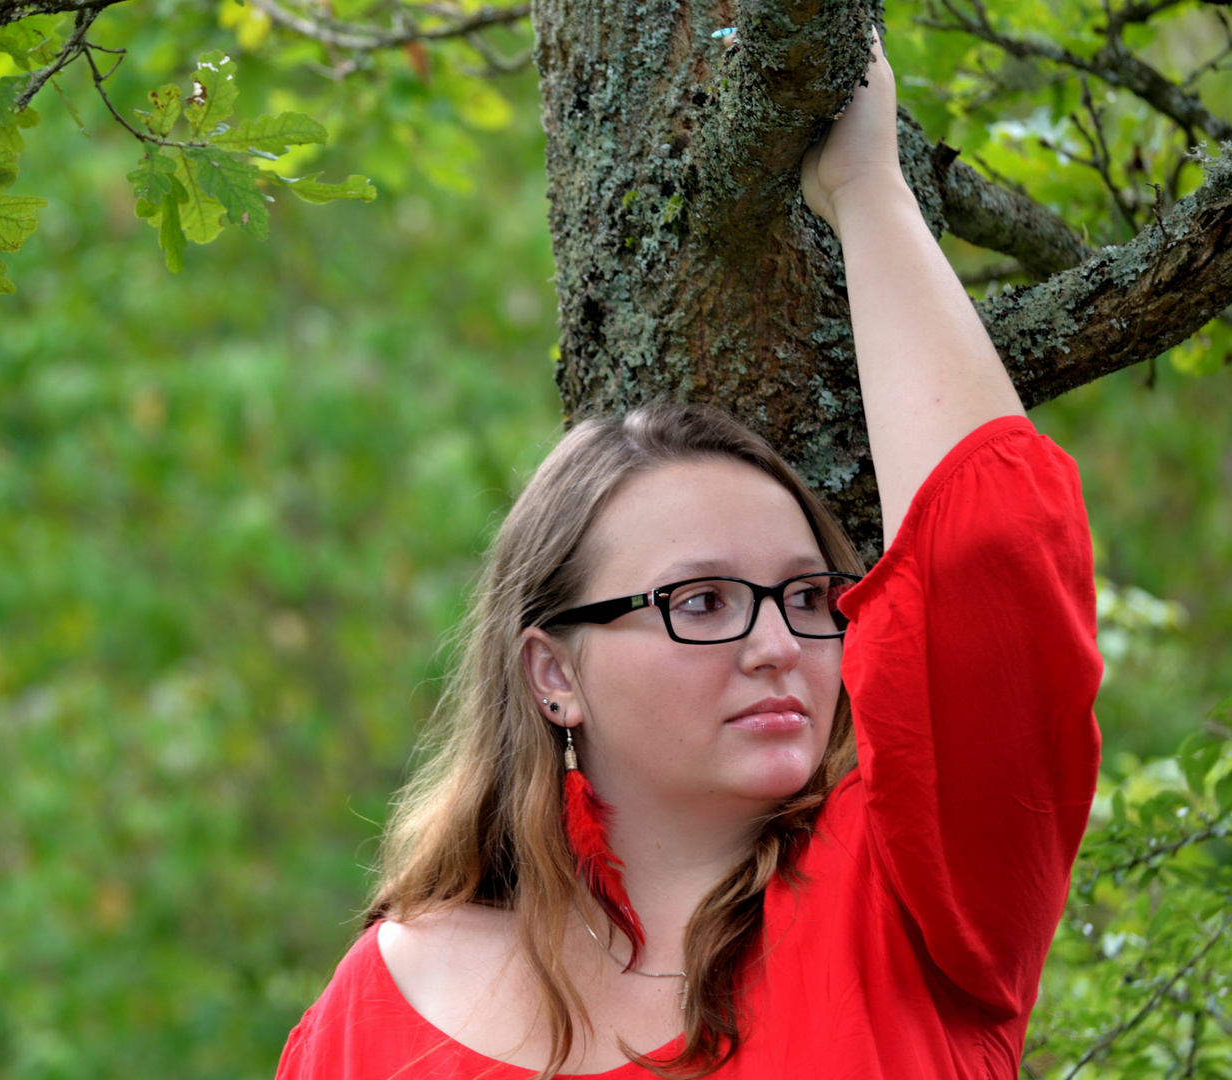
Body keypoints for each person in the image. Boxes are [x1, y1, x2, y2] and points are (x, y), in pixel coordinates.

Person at [275, 31, 1103, 1080]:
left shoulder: (912, 891)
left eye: (809, 597)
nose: (776, 644)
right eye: (703, 603)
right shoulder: (383, 1006)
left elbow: (989, 560)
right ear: (553, 671)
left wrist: (866, 187)